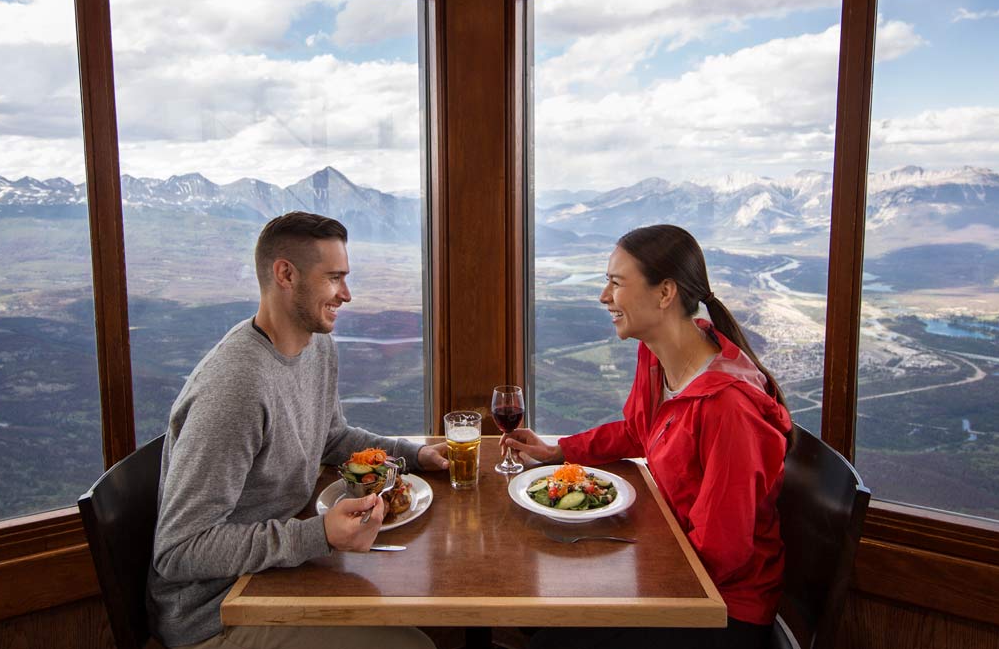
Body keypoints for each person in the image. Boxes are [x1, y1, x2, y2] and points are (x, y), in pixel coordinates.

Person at [148, 211, 447, 649]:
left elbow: (332, 438)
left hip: (273, 574)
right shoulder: (236, 388)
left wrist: (415, 454)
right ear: (285, 274)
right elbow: (179, 550)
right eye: (334, 278)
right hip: (217, 613)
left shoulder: (316, 345)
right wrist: (319, 534)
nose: (346, 294)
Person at [503, 224, 792, 649]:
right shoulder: (656, 357)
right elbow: (640, 431)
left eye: (616, 283)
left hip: (722, 610)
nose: (604, 296)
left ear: (664, 293)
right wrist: (558, 450)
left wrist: (623, 575)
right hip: (680, 572)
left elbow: (721, 552)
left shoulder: (729, 408)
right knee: (546, 616)